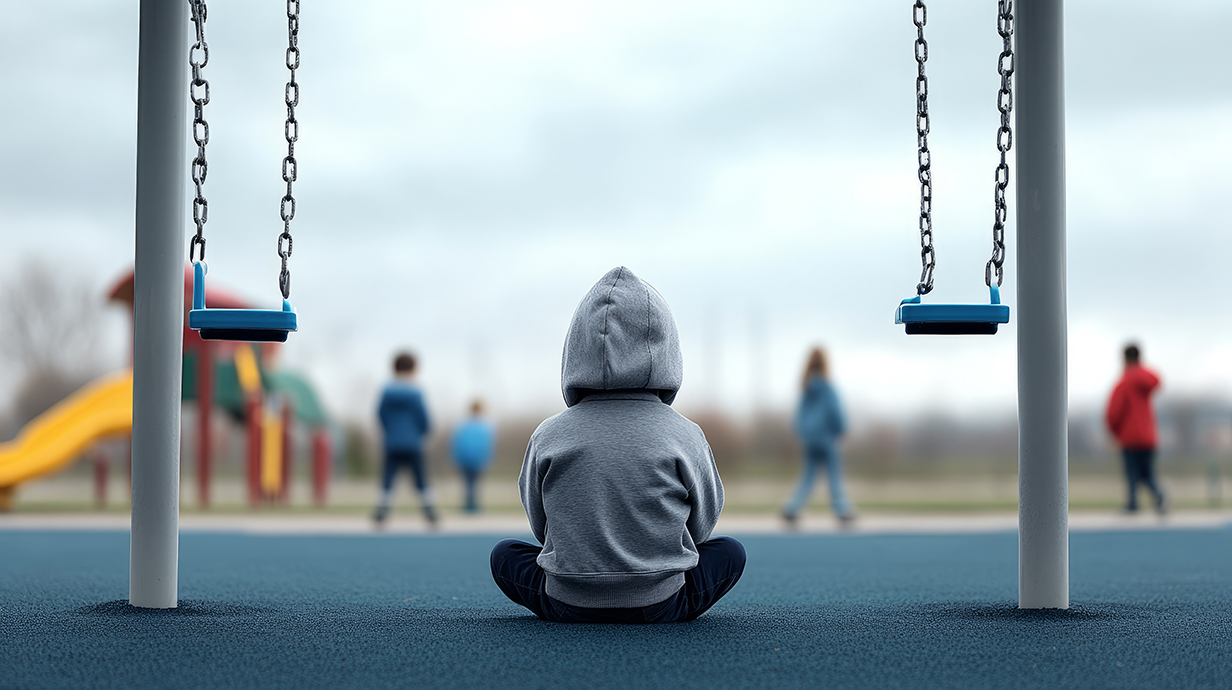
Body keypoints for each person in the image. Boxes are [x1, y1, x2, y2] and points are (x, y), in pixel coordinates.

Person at [490, 267, 745, 623]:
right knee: (731, 552)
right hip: (661, 602)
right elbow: (702, 527)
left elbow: (540, 525)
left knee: (504, 555)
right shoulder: (686, 434)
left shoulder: (547, 434)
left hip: (567, 603)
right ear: (666, 351)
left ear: (575, 350)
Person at [782, 347, 855, 527]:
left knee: (808, 475)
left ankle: (792, 507)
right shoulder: (828, 388)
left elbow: (799, 415)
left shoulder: (806, 388)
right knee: (834, 475)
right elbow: (835, 412)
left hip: (810, 439)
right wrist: (841, 431)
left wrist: (804, 433)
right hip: (827, 438)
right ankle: (841, 509)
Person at [373, 352, 437, 526]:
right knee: (421, 478)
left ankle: (382, 508)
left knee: (388, 478)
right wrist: (423, 432)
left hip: (392, 442)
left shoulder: (387, 391)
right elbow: (423, 417)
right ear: (413, 369)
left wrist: (389, 431)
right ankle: (429, 509)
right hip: (413, 442)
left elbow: (380, 414)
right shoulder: (415, 392)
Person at [1105, 343, 1166, 514]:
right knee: (1147, 472)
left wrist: (1114, 432)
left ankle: (1133, 503)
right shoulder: (1145, 381)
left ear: (1125, 359)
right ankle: (1158, 493)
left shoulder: (1124, 382)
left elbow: (1113, 412)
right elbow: (1156, 379)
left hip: (1129, 436)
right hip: (1148, 436)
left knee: (1131, 472)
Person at [452, 399, 496, 513]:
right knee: (474, 483)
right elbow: (487, 445)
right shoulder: (484, 426)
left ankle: (469, 504)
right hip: (477, 459)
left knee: (468, 483)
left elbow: (457, 443)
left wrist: (456, 457)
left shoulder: (464, 425)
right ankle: (473, 504)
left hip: (466, 458)